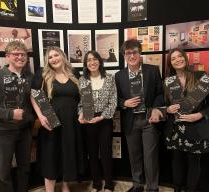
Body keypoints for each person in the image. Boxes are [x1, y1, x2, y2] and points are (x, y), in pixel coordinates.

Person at [0, 41, 34, 192]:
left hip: (25, 131)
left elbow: (36, 101)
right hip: (3, 132)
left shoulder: (30, 77)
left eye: (23, 54)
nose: (20, 57)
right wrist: (9, 114)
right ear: (7, 57)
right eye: (16, 54)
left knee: (24, 169)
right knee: (4, 173)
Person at [164, 48, 209, 192]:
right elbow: (166, 105)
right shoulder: (168, 81)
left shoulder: (200, 76)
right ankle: (177, 189)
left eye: (180, 56)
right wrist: (168, 109)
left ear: (185, 58)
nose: (177, 60)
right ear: (170, 63)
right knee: (177, 164)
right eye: (173, 58)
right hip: (176, 130)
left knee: (194, 164)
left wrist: (199, 115)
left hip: (196, 128)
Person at [31, 46, 84, 192]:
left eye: (56, 55)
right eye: (50, 57)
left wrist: (83, 112)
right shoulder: (42, 75)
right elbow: (34, 96)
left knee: (68, 154)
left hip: (72, 123)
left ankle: (65, 187)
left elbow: (84, 96)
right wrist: (41, 117)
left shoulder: (74, 73)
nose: (54, 59)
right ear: (47, 61)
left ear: (62, 56)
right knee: (50, 156)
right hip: (51, 121)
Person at [115, 39, 163, 192]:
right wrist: (124, 103)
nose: (132, 55)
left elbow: (160, 93)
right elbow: (115, 99)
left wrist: (156, 108)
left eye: (134, 52)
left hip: (149, 119)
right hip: (131, 120)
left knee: (150, 156)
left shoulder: (153, 70)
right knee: (134, 156)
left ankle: (153, 187)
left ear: (140, 53)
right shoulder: (119, 75)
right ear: (124, 55)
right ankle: (137, 185)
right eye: (128, 53)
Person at [78, 50, 117, 192]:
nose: (92, 62)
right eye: (88, 60)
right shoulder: (83, 80)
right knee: (92, 153)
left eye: (95, 59)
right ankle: (96, 183)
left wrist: (101, 117)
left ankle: (109, 184)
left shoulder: (109, 78)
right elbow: (81, 103)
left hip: (104, 119)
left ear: (100, 61)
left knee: (106, 152)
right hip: (89, 119)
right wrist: (81, 114)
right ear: (85, 64)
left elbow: (113, 102)